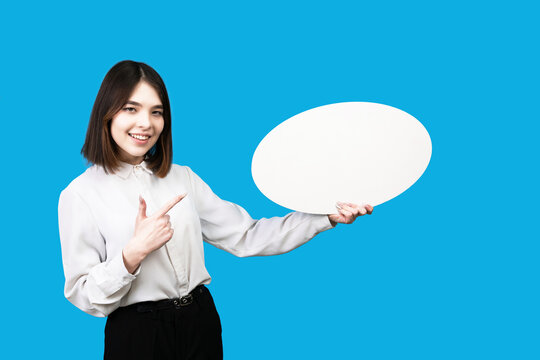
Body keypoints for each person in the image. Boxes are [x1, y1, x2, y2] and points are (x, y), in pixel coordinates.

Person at [57, 60, 374, 360]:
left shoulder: (181, 178)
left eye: (157, 112)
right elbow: (83, 294)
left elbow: (247, 236)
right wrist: (131, 255)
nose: (146, 123)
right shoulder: (80, 195)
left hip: (200, 323)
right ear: (106, 114)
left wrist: (325, 217)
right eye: (131, 108)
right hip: (138, 335)